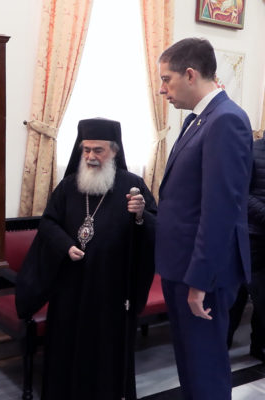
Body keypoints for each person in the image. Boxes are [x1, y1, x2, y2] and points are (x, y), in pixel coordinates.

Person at [15, 118, 157, 400]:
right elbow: (48, 223)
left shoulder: (133, 186)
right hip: (70, 286)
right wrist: (65, 245)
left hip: (112, 288)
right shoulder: (69, 186)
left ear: (114, 151)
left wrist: (141, 215)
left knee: (105, 350)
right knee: (67, 345)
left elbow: (154, 228)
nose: (91, 156)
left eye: (98, 150)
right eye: (86, 149)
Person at [155, 37, 253, 399]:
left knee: (205, 368)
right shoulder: (198, 120)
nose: (162, 89)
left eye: (166, 79)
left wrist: (200, 281)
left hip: (202, 273)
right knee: (190, 365)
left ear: (190, 74)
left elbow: (220, 211)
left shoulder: (226, 120)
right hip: (181, 266)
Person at [228, 138, 265, 361]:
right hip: (251, 236)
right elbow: (241, 193)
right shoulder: (253, 150)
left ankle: (259, 345)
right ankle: (222, 342)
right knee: (238, 294)